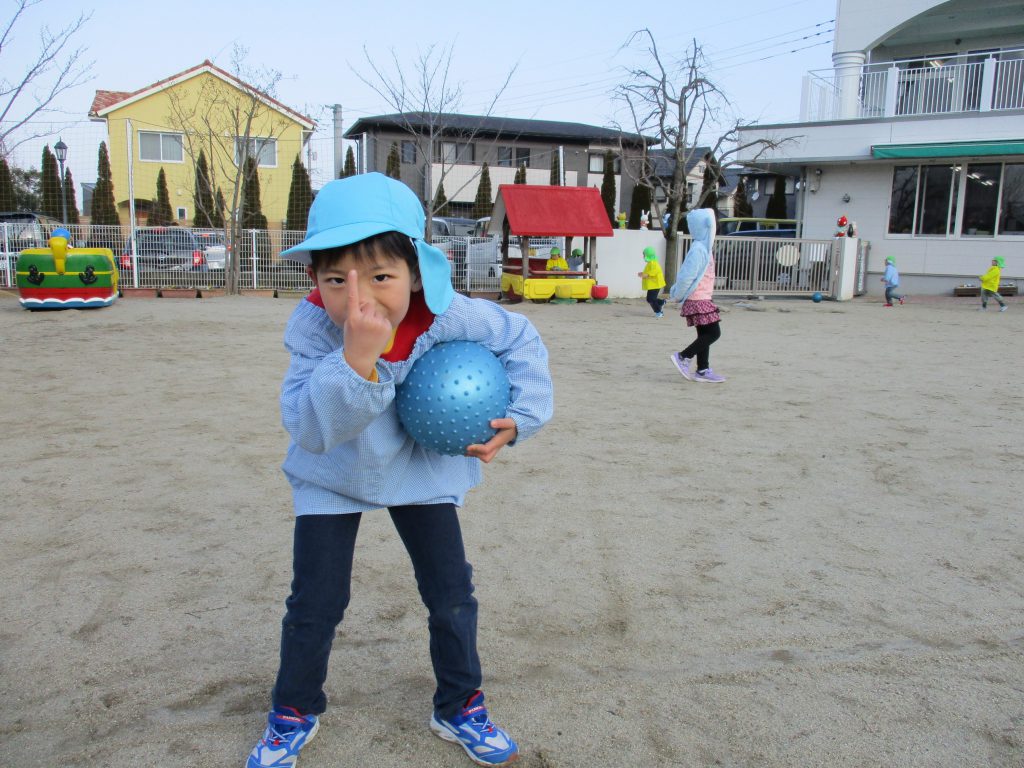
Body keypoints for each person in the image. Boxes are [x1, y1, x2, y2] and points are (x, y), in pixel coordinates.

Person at [246, 173, 554, 768]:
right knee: (316, 600)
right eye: (337, 280)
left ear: (416, 272)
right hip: (334, 469)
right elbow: (310, 428)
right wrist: (357, 359)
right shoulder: (313, 331)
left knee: (451, 593)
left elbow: (521, 337)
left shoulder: (449, 314)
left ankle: (459, 703)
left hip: (422, 465)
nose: (358, 298)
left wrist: (522, 416)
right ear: (314, 280)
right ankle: (294, 708)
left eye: (381, 276)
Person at [667, 208, 725, 383]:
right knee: (714, 333)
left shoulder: (703, 248)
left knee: (704, 335)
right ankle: (683, 357)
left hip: (702, 297)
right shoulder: (699, 249)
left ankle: (702, 369)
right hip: (698, 299)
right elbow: (686, 275)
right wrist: (677, 294)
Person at [637, 246, 666, 317]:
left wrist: (645, 275)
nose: (643, 257)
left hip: (655, 284)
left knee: (651, 299)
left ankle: (659, 312)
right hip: (653, 284)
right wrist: (643, 274)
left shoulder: (653, 262)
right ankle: (662, 302)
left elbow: (654, 271)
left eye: (644, 255)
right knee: (650, 299)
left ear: (648, 255)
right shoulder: (651, 262)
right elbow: (650, 272)